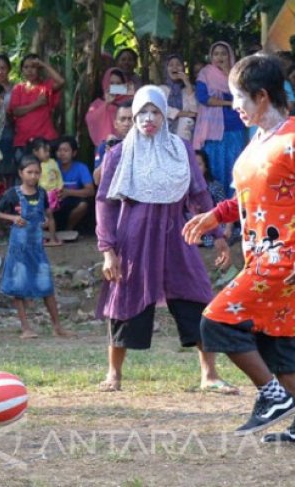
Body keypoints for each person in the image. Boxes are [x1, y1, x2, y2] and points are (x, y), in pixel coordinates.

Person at [183, 54, 295, 445]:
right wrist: (215, 216)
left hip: (288, 258)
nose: (235, 106)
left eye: (239, 97)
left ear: (263, 97)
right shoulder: (258, 142)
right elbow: (245, 197)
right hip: (265, 256)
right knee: (278, 344)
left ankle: (273, 398)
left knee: (215, 321)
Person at [95, 85, 234, 394]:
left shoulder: (181, 149)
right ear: (133, 117)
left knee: (195, 297)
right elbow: (105, 201)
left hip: (176, 235)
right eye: (142, 112)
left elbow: (199, 192)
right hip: (133, 238)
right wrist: (108, 249)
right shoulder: (119, 153)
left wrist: (217, 233)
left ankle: (209, 374)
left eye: (155, 111)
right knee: (125, 302)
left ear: (164, 115)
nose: (148, 118)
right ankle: (113, 375)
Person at [0, 155, 75, 339]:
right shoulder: (12, 194)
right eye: (29, 172)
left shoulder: (42, 193)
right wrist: (14, 218)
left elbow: (47, 214)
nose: (33, 176)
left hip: (37, 248)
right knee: (18, 287)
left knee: (47, 286)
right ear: (21, 173)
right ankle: (25, 328)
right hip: (19, 249)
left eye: (37, 172)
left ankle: (57, 327)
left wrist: (46, 221)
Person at [193, 41, 246, 197]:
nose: (219, 57)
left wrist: (228, 73)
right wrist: (229, 102)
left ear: (230, 55)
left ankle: (233, 206)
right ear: (211, 56)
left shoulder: (237, 74)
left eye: (223, 53)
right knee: (214, 165)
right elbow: (203, 98)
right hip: (212, 130)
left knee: (234, 164)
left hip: (234, 126)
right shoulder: (206, 73)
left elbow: (242, 93)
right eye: (216, 54)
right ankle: (215, 204)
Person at [9, 54, 64, 160]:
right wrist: (37, 104)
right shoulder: (18, 89)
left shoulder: (45, 86)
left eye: (33, 67)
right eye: (26, 67)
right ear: (22, 70)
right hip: (24, 140)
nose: (30, 70)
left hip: (46, 139)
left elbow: (61, 81)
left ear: (39, 69)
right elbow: (16, 111)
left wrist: (44, 64)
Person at [53, 136, 95, 231]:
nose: (62, 154)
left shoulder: (81, 168)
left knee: (83, 205)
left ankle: (69, 229)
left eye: (66, 150)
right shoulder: (52, 166)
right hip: (54, 203)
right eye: (59, 150)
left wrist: (68, 192)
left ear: (74, 153)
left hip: (73, 203)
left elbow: (90, 191)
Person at [85, 68, 129, 148]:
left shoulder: (129, 102)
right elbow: (90, 119)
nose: (115, 86)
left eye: (118, 84)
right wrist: (106, 103)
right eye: (111, 83)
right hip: (104, 147)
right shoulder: (97, 103)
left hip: (126, 145)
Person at [0, 54, 17, 183]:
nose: (0, 72)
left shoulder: (15, 88)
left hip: (10, 128)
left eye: (3, 68)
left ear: (9, 69)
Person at [93, 102, 133, 185]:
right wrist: (109, 153)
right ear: (115, 124)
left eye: (130, 119)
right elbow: (97, 181)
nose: (126, 124)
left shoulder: (145, 146)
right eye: (123, 119)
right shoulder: (105, 146)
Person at [160, 54, 198, 141]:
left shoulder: (188, 89)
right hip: (164, 130)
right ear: (166, 69)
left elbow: (195, 110)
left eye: (178, 64)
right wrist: (184, 113)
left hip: (185, 133)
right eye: (171, 65)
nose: (175, 67)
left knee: (186, 121)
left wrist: (187, 83)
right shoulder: (161, 89)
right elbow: (162, 109)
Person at [28, 137, 63, 213]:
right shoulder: (32, 165)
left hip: (53, 193)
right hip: (38, 195)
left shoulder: (53, 162)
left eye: (48, 151)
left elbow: (58, 175)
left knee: (49, 213)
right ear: (35, 152)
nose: (48, 154)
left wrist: (59, 187)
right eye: (45, 151)